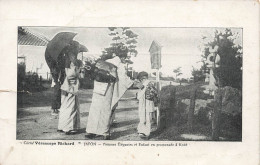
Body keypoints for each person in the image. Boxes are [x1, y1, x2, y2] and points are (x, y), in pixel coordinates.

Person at [85, 46, 133, 140]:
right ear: (123, 57)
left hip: (98, 85)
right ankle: (103, 132)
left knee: (95, 108)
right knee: (105, 109)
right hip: (108, 87)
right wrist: (131, 83)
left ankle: (90, 131)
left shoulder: (107, 60)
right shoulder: (119, 64)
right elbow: (123, 78)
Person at [57, 55, 85, 134]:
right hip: (71, 87)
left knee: (64, 106)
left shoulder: (61, 62)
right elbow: (71, 75)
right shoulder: (72, 63)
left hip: (64, 86)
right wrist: (80, 70)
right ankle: (70, 128)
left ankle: (62, 126)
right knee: (72, 107)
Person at [136, 71, 159, 139]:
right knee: (143, 118)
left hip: (148, 103)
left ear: (143, 78)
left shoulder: (149, 84)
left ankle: (146, 133)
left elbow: (154, 93)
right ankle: (141, 131)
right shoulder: (144, 84)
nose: (141, 81)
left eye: (141, 79)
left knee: (147, 119)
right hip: (144, 103)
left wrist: (147, 93)